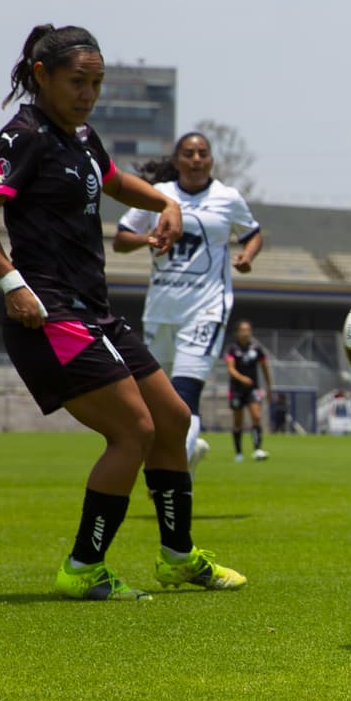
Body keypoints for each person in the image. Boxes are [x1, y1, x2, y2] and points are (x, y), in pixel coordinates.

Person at [0, 24, 245, 599]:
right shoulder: (23, 136)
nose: (88, 94)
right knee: (133, 430)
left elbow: (114, 182)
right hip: (48, 315)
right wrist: (12, 284)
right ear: (42, 76)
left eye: (96, 83)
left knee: (173, 420)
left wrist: (164, 200)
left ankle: (178, 558)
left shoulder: (82, 136)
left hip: (94, 311)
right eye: (77, 82)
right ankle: (83, 567)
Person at [113, 131, 263, 478]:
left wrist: (247, 255)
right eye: (189, 153)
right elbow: (120, 239)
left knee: (184, 397)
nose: (196, 159)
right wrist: (147, 238)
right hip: (161, 310)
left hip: (206, 309)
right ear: (176, 160)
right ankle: (189, 453)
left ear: (211, 160)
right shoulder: (159, 195)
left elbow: (252, 233)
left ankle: (170, 478)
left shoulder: (227, 198)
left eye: (203, 153)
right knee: (157, 404)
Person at [225, 319, 272, 461]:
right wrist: (242, 378)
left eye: (248, 330)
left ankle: (257, 449)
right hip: (237, 390)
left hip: (253, 389)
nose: (246, 333)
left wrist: (269, 387)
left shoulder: (256, 349)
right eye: (243, 330)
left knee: (256, 417)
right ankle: (238, 453)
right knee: (238, 422)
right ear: (237, 332)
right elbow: (230, 369)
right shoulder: (232, 349)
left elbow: (265, 368)